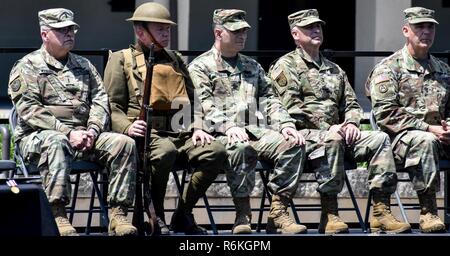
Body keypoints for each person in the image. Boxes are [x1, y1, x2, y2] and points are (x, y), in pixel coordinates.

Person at [268, 9, 411, 234]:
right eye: (309, 27)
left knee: (380, 138)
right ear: (295, 34)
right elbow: (292, 110)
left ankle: (381, 211)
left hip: (338, 133)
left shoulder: (334, 69)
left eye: (318, 26)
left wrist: (352, 123)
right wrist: (330, 128)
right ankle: (330, 214)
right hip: (302, 136)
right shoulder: (285, 66)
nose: (316, 30)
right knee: (333, 138)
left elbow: (353, 105)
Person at [8, 8, 137, 236]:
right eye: (61, 30)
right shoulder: (27, 66)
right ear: (44, 34)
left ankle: (118, 214)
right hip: (39, 138)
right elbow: (29, 110)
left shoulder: (84, 66)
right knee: (56, 141)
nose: (69, 34)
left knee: (123, 143)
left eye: (71, 29)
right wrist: (68, 133)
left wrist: (93, 131)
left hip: (85, 136)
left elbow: (100, 100)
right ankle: (57, 214)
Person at [104, 2, 227, 235]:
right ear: (141, 32)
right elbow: (112, 105)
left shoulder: (176, 59)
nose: (166, 33)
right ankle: (156, 214)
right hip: (147, 135)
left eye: (168, 29)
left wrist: (198, 126)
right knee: (165, 151)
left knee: (216, 151)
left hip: (180, 131)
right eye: (159, 28)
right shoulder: (121, 60)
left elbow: (194, 100)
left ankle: (183, 212)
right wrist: (128, 127)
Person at [189, 9, 307, 235]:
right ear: (218, 33)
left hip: (254, 130)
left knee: (293, 144)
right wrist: (229, 126)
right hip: (218, 134)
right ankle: (242, 214)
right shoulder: (200, 66)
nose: (242, 36)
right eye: (236, 32)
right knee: (240, 148)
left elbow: (270, 99)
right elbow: (204, 103)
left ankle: (278, 212)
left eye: (244, 31)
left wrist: (286, 125)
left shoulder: (252, 66)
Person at [366, 7, 449, 233]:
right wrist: (428, 128)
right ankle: (429, 213)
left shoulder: (443, 70)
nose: (426, 32)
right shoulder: (388, 68)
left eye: (430, 26)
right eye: (419, 27)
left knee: (429, 139)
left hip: (441, 137)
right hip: (398, 141)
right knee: (425, 140)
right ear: (406, 30)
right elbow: (385, 114)